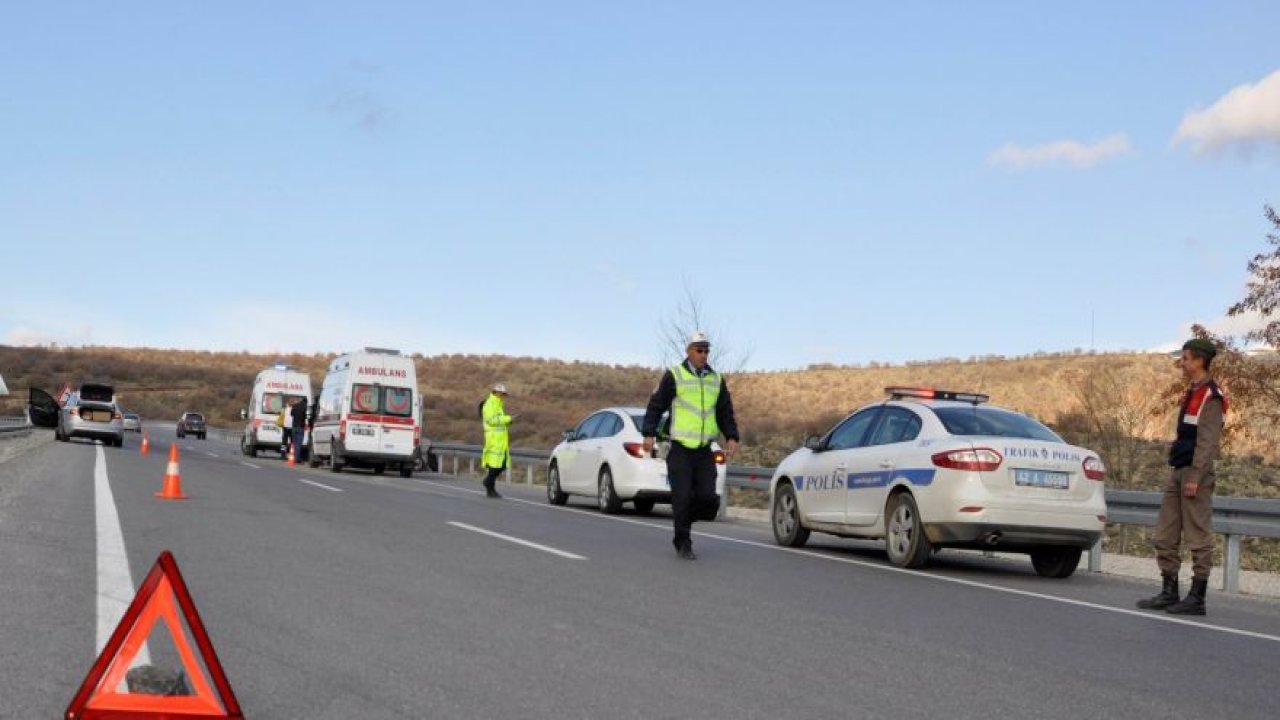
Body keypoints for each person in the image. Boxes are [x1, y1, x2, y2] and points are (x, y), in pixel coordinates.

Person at [1136, 338, 1228, 616]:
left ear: (1200, 360)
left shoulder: (1212, 396)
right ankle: (1169, 591)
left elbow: (1208, 441)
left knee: (1198, 535)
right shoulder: (1193, 391)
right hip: (1179, 469)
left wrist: (1196, 476)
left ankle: (1197, 597)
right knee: (1165, 533)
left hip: (1194, 473)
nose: (1182, 363)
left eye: (1186, 358)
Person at [642, 331, 740, 560]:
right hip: (680, 449)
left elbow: (725, 411)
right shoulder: (674, 375)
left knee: (708, 500)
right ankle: (683, 541)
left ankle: (682, 519)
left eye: (707, 350)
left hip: (705, 449)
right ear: (688, 351)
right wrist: (649, 433)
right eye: (699, 350)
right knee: (682, 496)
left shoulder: (716, 379)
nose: (704, 354)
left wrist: (732, 436)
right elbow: (656, 405)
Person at [480, 384, 513, 498]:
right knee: (495, 465)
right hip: (494, 439)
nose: (503, 396)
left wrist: (508, 421)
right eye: (502, 394)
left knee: (501, 464)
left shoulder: (498, 405)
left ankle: (489, 483)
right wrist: (507, 419)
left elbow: (498, 421)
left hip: (501, 439)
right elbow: (491, 420)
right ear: (496, 392)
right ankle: (490, 487)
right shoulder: (489, 404)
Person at [290, 396, 309, 462]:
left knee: (295, 443)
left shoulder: (295, 405)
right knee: (299, 444)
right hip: (300, 427)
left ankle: (294, 457)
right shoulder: (305, 407)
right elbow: (307, 416)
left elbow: (291, 414)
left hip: (294, 426)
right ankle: (297, 458)